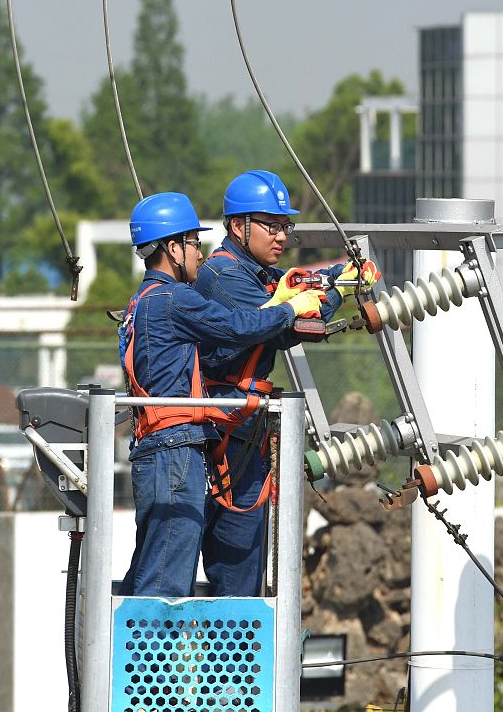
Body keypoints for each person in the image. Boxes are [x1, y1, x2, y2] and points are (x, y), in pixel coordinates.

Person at [118, 190, 327, 598]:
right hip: (174, 450)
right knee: (165, 583)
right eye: (194, 243)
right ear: (173, 248)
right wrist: (290, 309)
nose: (200, 253)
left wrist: (276, 301)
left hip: (159, 447)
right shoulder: (173, 299)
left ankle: (139, 656)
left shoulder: (143, 300)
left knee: (154, 564)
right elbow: (236, 327)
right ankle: (154, 659)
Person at [193, 170, 379, 596]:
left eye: (285, 226)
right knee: (227, 561)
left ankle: (235, 656)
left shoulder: (257, 274)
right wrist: (333, 294)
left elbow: (293, 297)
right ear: (238, 226)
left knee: (245, 561)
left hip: (242, 429)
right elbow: (278, 327)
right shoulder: (224, 276)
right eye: (271, 225)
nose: (281, 236)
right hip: (221, 430)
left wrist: (337, 277)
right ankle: (215, 657)